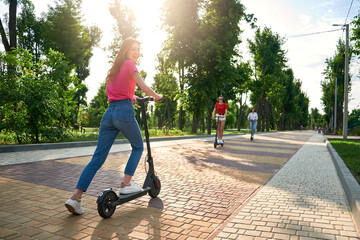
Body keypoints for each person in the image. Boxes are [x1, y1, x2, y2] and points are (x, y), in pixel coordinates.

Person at [65, 37, 163, 215]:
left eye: (138, 50)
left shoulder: (114, 69)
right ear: (125, 50)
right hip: (124, 112)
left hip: (109, 113)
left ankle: (75, 197)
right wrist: (156, 95)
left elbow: (112, 91)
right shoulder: (130, 65)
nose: (137, 53)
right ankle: (126, 184)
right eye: (133, 49)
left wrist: (129, 95)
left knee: (98, 158)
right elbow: (143, 86)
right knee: (138, 146)